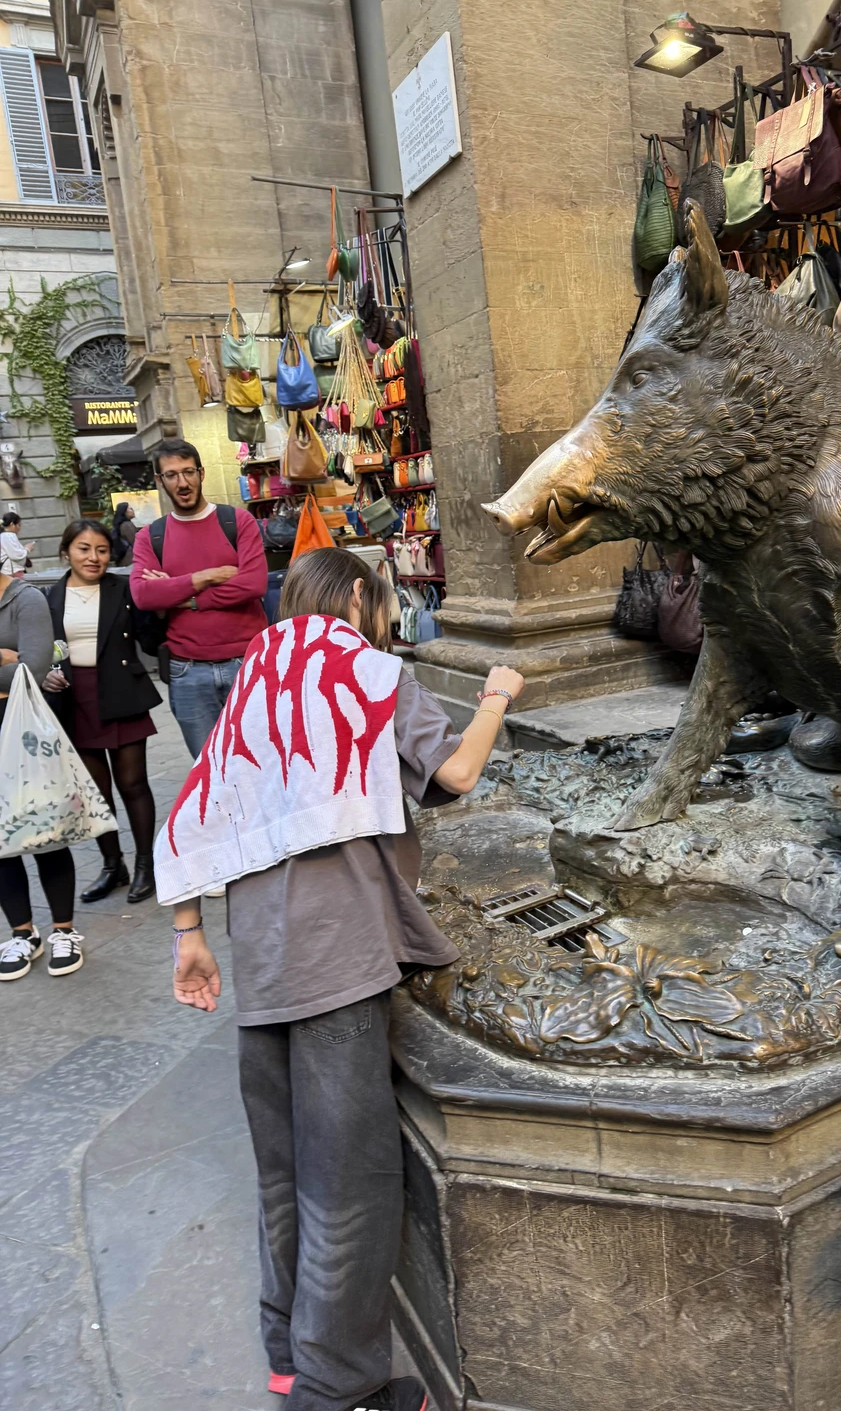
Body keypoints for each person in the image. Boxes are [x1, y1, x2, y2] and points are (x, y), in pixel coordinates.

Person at [162, 547, 524, 1411]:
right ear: (362, 596)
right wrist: (499, 697)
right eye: (386, 602)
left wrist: (188, 938)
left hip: (263, 955)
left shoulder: (257, 679)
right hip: (337, 958)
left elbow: (197, 808)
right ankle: (339, 1390)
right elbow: (458, 774)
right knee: (348, 1180)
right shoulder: (369, 672)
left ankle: (287, 1349)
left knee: (283, 1168)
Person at [43, 519, 161, 904]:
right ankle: (114, 866)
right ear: (66, 552)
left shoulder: (124, 588)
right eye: (83, 548)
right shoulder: (49, 597)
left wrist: (158, 601)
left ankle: (146, 864)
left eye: (101, 550)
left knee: (133, 783)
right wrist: (48, 674)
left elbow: (149, 637)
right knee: (94, 791)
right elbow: (41, 649)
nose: (93, 557)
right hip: (74, 698)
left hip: (122, 692)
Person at [130, 438, 267, 759]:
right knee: (209, 774)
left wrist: (185, 597)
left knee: (264, 766)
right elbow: (143, 594)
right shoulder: (151, 537)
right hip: (187, 672)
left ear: (202, 473)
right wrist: (204, 577)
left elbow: (253, 584)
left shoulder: (237, 522)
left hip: (246, 663)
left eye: (188, 472)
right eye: (172, 475)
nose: (182, 482)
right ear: (160, 481)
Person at [0, 564, 82, 981]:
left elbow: (31, 670)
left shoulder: (25, 599)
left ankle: (64, 930)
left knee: (46, 830)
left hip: (26, 733)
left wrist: (13, 665)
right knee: (0, 839)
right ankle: (22, 933)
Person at [0, 511, 34, 577]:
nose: (19, 528)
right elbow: (15, 555)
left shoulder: (3, 536)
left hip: (8, 571)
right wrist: (27, 549)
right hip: (12, 571)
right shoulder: (9, 535)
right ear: (12, 524)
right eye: (19, 525)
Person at [111, 501, 137, 567]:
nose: (133, 510)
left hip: (123, 559)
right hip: (130, 560)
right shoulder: (127, 525)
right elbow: (136, 543)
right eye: (130, 508)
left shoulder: (121, 525)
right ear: (125, 512)